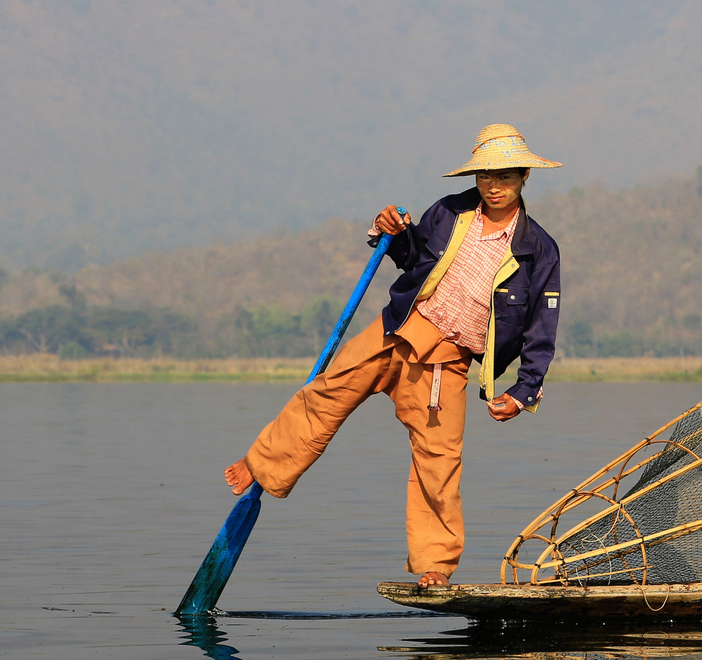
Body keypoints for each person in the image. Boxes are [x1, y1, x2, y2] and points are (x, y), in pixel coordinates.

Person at [223, 124, 563, 587]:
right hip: (395, 330)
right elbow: (411, 257)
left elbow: (542, 330)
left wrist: (523, 391)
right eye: (486, 175)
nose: (494, 185)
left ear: (525, 176)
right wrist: (390, 231)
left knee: (439, 462)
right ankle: (261, 464)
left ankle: (435, 565)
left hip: (446, 362)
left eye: (505, 175)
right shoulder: (449, 212)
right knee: (324, 395)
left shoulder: (538, 249)